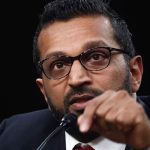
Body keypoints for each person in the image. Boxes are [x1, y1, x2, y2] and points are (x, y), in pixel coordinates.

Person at [0, 0, 150, 149]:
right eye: (59, 65)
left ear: (134, 73)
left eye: (95, 57)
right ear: (43, 91)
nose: (77, 79)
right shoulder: (10, 137)